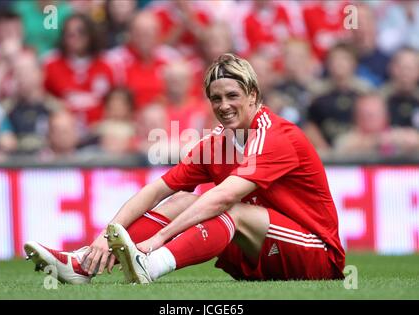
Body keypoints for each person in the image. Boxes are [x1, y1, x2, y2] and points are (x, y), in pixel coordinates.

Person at [24, 53, 345, 284]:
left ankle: (151, 265)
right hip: (262, 256)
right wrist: (103, 237)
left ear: (253, 95)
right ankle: (83, 263)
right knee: (183, 200)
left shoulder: (278, 136)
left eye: (233, 95)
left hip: (316, 256)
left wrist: (159, 239)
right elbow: (157, 190)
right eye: (216, 98)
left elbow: (223, 200)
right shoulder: (217, 142)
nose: (224, 105)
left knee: (230, 207)